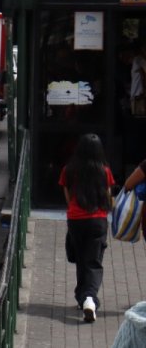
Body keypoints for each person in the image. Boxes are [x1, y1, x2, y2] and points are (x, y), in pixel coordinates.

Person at [60, 133, 115, 323]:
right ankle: (89, 299)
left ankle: (82, 297)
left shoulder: (69, 170)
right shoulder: (104, 171)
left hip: (76, 220)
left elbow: (67, 197)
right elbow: (108, 196)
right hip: (98, 220)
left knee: (81, 259)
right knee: (93, 262)